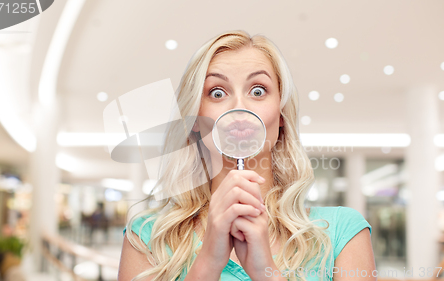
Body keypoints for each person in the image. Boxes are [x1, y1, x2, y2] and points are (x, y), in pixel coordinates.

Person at [118, 30, 376, 281]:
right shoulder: (148, 236)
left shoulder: (342, 233)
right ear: (195, 119)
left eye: (258, 91)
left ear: (282, 113)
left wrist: (266, 272)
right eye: (217, 92)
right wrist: (207, 263)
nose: (239, 107)